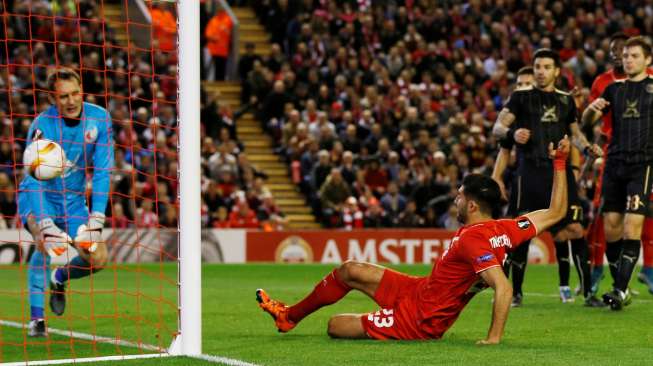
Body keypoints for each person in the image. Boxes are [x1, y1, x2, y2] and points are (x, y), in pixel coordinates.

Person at [256, 137, 570, 343]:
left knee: (335, 326)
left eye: (459, 197)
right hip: (420, 290)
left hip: (420, 319)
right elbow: (556, 211)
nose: (454, 201)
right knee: (351, 269)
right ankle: (288, 316)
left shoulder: (474, 241)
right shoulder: (507, 229)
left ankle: (295, 318)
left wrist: (494, 337)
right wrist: (560, 163)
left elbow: (503, 286)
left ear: (472, 206)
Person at [492, 49, 604, 307]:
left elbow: (575, 134)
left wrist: (587, 148)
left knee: (575, 229)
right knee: (520, 232)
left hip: (559, 171)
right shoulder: (520, 98)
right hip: (529, 171)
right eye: (538, 66)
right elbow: (497, 127)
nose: (541, 71)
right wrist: (512, 134)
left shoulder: (566, 101)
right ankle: (515, 292)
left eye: (546, 67)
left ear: (556, 71)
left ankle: (588, 293)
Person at [18, 67, 114, 336]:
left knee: (98, 257)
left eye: (75, 94)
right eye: (63, 97)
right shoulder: (41, 126)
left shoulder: (100, 119)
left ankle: (59, 279)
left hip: (73, 202)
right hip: (39, 197)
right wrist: (45, 223)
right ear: (52, 98)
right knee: (43, 242)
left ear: (82, 90)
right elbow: (34, 179)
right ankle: (37, 319)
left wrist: (97, 218)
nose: (71, 101)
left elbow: (104, 170)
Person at [581, 36, 653, 309]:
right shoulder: (613, 90)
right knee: (611, 229)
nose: (628, 59)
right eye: (626, 55)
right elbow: (588, 123)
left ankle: (620, 290)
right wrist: (590, 110)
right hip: (614, 164)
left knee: (631, 226)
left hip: (643, 165)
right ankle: (620, 285)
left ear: (648, 60)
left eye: (634, 55)